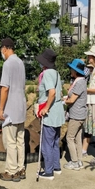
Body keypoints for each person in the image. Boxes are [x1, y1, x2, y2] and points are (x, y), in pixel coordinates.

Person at [0, 38, 27, 182]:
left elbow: (5, 88)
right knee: (20, 141)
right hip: (21, 107)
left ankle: (11, 171)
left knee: (10, 141)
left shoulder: (7, 64)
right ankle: (21, 168)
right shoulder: (20, 62)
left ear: (5, 48)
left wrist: (0, 109)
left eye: (1, 49)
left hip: (10, 108)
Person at [36, 49, 65, 180]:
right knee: (55, 141)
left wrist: (45, 108)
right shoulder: (56, 73)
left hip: (51, 112)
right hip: (58, 111)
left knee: (47, 142)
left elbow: (51, 92)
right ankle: (56, 166)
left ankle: (48, 171)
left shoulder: (47, 73)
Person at [63, 59, 87, 171]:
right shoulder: (79, 81)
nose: (70, 70)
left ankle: (74, 161)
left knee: (70, 137)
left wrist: (63, 101)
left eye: (72, 68)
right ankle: (79, 160)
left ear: (75, 70)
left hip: (76, 115)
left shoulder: (79, 82)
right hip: (80, 114)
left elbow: (72, 100)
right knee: (77, 138)